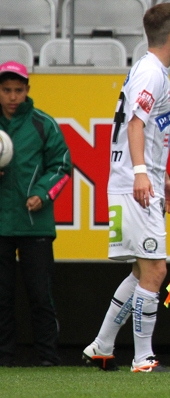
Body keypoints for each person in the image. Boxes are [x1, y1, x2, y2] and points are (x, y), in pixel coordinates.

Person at [82, 2, 170, 373]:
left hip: (136, 182)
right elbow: (135, 125)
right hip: (134, 184)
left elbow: (146, 129)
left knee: (142, 273)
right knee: (155, 272)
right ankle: (142, 358)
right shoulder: (152, 73)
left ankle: (102, 345)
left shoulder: (147, 70)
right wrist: (143, 174)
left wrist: (163, 177)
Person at [0, 61, 71, 367]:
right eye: (6, 90)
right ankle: (4, 358)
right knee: (1, 297)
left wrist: (42, 194)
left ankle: (47, 358)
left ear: (28, 90)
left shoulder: (44, 123)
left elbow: (63, 166)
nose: (13, 96)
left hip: (35, 225)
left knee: (41, 295)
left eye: (18, 90)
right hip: (1, 225)